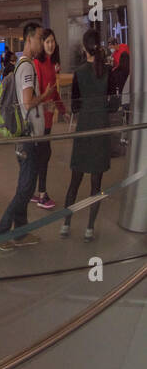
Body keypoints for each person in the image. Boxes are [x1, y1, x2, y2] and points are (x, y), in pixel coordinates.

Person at [0, 22, 55, 250]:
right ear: (29, 39)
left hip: (25, 136)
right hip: (28, 137)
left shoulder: (21, 64)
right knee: (26, 189)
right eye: (39, 38)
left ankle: (20, 233)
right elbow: (28, 102)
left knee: (25, 187)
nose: (41, 43)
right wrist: (45, 96)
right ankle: (0, 233)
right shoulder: (27, 66)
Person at [61, 30, 115, 241]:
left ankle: (66, 224)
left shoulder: (80, 73)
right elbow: (113, 104)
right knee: (96, 184)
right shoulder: (107, 71)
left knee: (75, 180)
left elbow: (74, 106)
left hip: (84, 128)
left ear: (84, 48)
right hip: (101, 128)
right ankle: (89, 229)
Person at [31, 28, 68, 209]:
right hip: (39, 118)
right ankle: (42, 195)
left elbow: (54, 92)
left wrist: (62, 110)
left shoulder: (52, 64)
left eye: (53, 41)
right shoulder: (37, 63)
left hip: (47, 117)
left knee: (41, 154)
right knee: (43, 154)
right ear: (41, 44)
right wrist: (48, 99)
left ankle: (34, 191)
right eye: (47, 42)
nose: (51, 45)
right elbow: (38, 92)